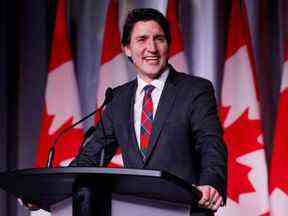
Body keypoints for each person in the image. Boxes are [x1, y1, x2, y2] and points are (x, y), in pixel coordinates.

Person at [70, 8, 227, 215]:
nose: (151, 47)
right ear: (127, 48)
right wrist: (50, 191)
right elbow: (90, 158)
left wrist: (210, 183)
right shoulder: (118, 99)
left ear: (168, 45)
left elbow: (211, 143)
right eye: (142, 39)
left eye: (159, 39)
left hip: (185, 210)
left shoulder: (195, 90)